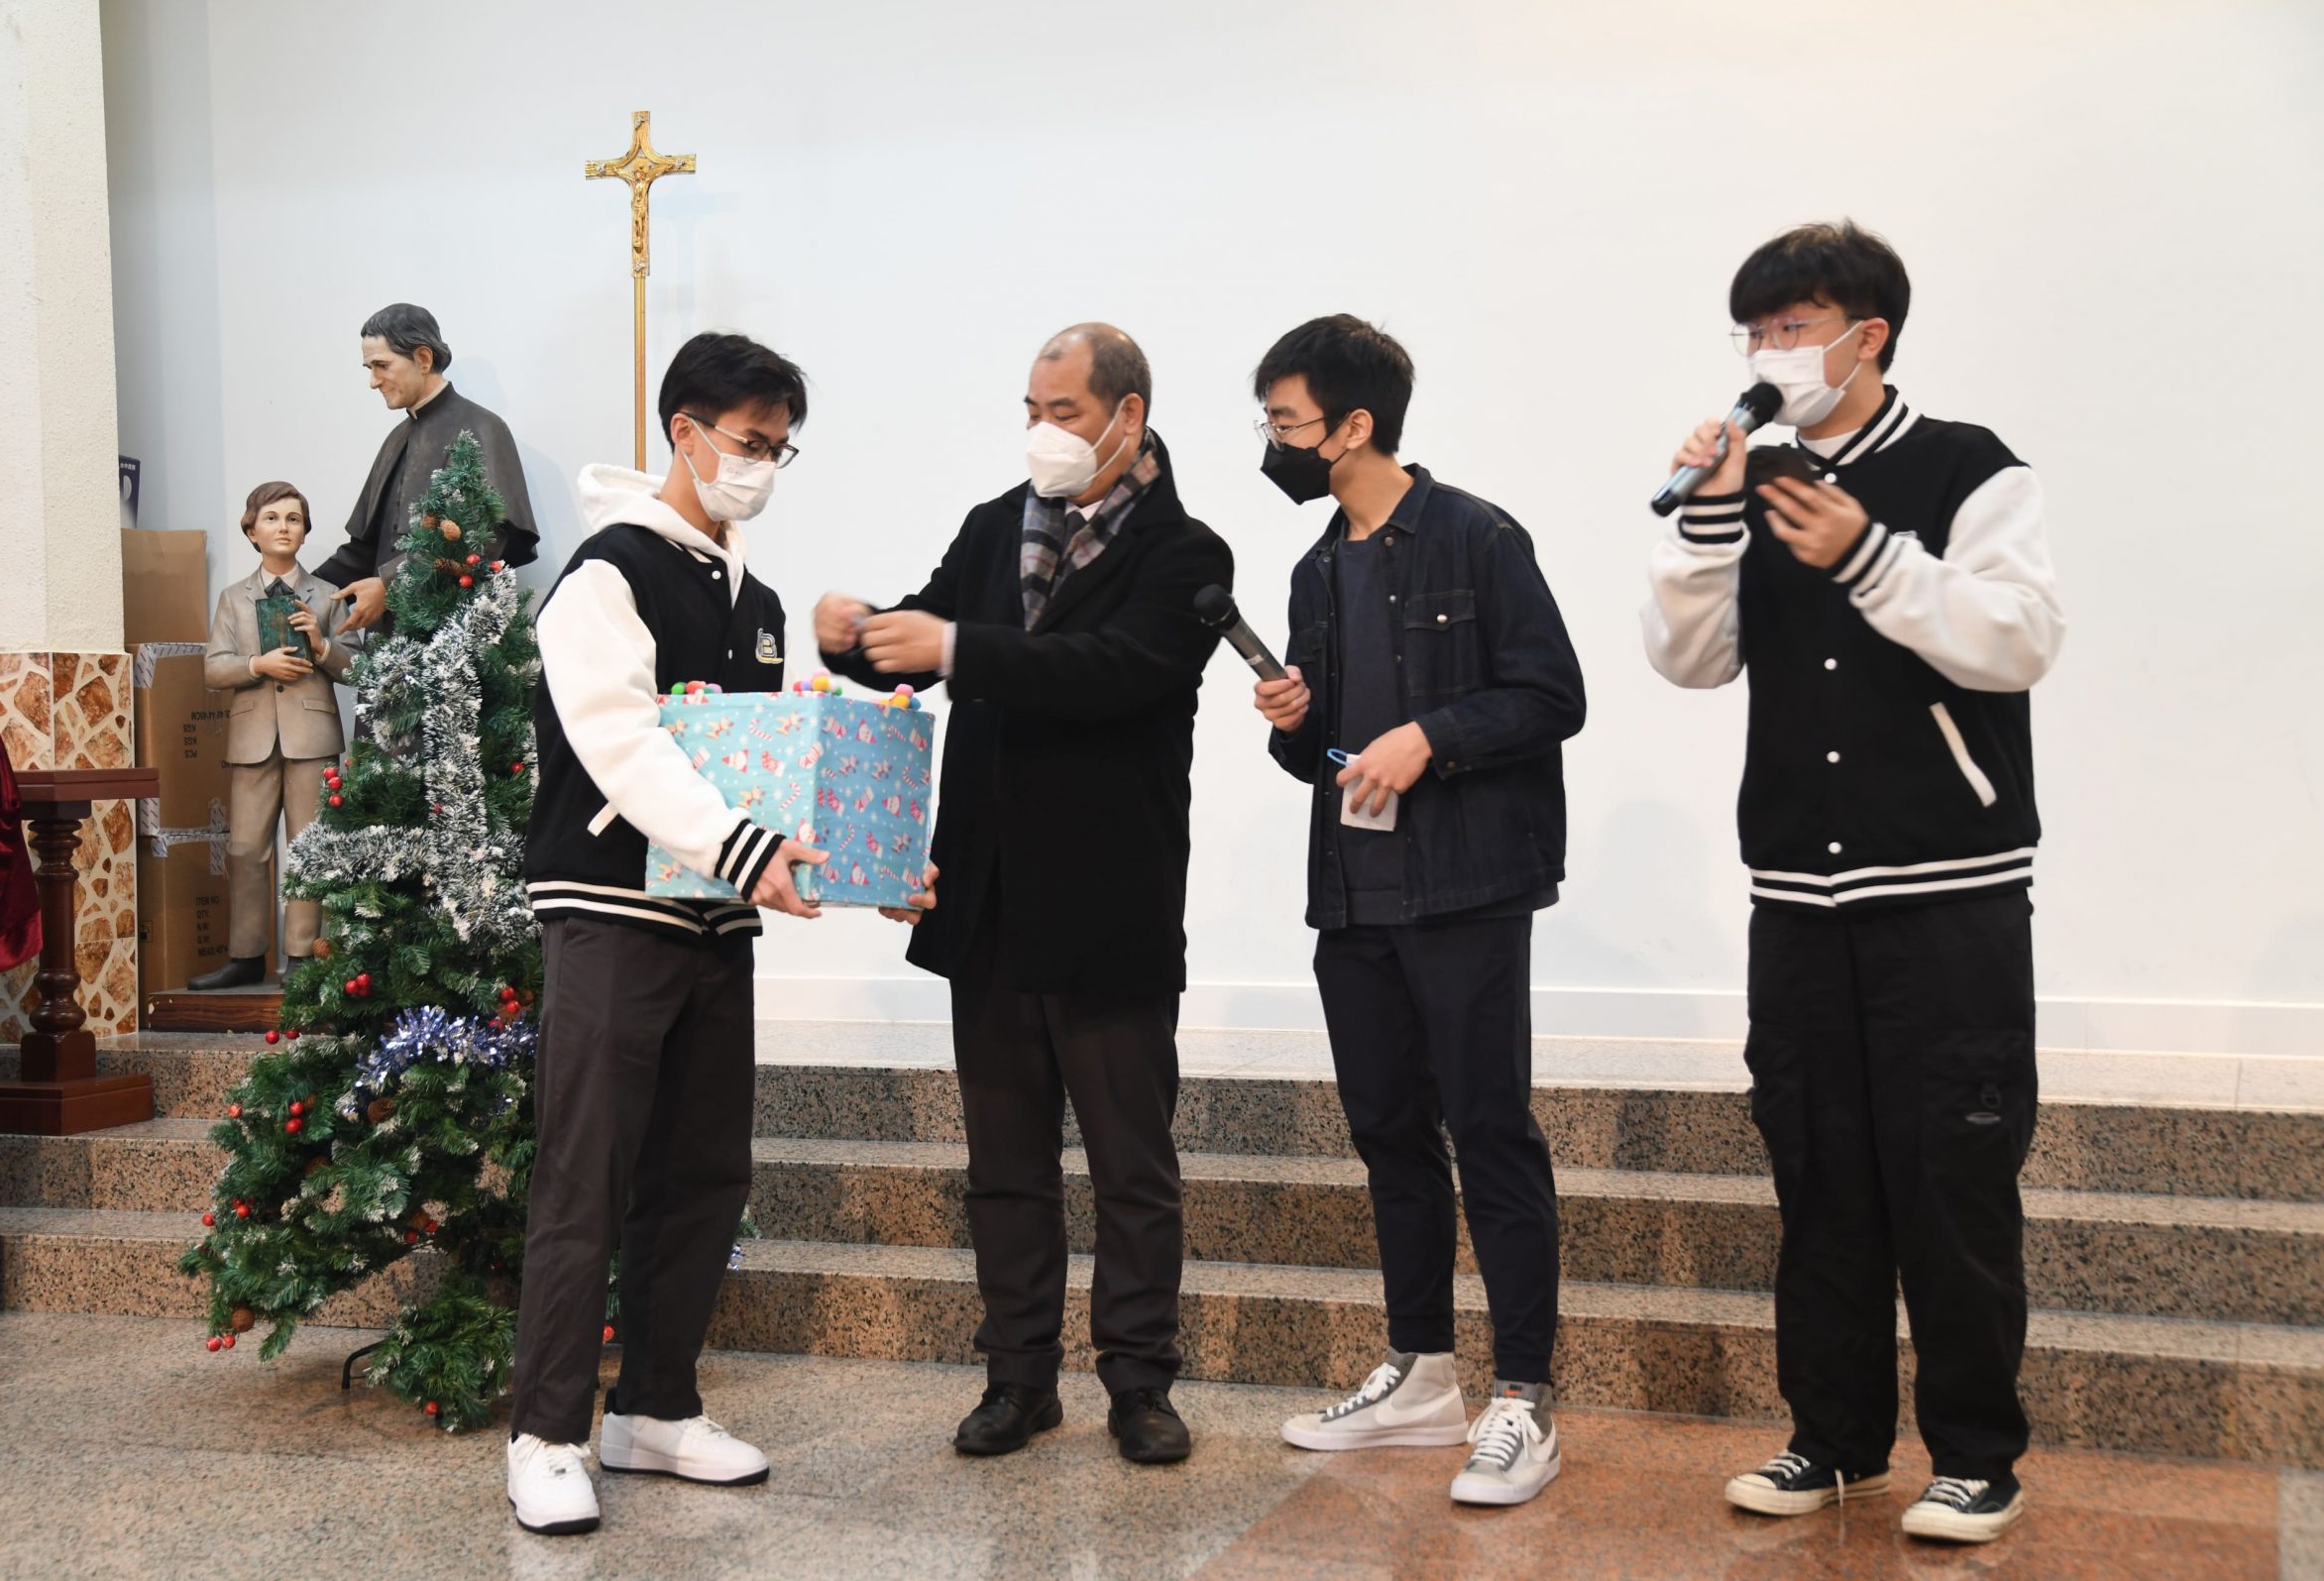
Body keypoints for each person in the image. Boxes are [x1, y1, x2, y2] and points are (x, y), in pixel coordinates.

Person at [1643, 221, 2066, 1546]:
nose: (1769, 352)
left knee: (1952, 1178)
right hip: (1797, 898)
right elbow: (1688, 659)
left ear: (1865, 336)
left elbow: (2019, 639)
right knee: (1819, 1178)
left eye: (1792, 328)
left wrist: (1873, 555)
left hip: (1948, 893)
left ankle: (1977, 1457)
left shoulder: (1967, 466)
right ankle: (1833, 1441)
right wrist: (1706, 520)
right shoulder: (1754, 480)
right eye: (1755, 332)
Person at [503, 333, 930, 1536]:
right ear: (683, 433)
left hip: (711, 918)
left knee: (702, 1173)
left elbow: (766, 763)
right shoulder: (607, 573)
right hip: (608, 913)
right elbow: (621, 743)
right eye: (748, 441)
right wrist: (743, 851)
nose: (762, 466)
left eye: (779, 447)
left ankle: (653, 1409)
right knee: (587, 1173)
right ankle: (545, 1435)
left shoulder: (756, 599)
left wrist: (873, 865)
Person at [816, 323, 1233, 1467]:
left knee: (1131, 1170)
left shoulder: (1188, 553)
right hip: (988, 902)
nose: (1042, 433)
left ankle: (1139, 1384)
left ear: (1127, 416)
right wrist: (854, 637)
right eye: (1032, 411)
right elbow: (921, 639)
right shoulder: (996, 524)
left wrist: (956, 645)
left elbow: (1110, 674)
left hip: (1109, 907)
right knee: (1003, 1169)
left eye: (1064, 413)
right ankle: (1017, 1378)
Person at [1248, 315, 1585, 1508]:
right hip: (1353, 897)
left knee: (1488, 1130)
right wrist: (1293, 726)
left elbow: (1552, 695)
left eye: (1285, 423)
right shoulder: (1312, 572)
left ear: (1354, 425)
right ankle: (1422, 1373)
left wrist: (1429, 737)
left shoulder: (1477, 537)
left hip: (1468, 888)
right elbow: (1321, 760)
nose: (1273, 444)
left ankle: (1523, 1397)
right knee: (1387, 1130)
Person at [191, 482, 359, 990]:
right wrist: (256, 665)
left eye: (293, 519)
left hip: (312, 737)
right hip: (252, 738)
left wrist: (322, 645)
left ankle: (304, 954)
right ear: (251, 531)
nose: (283, 527)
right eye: (271, 518)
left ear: (305, 532)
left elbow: (358, 667)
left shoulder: (327, 595)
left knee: (308, 845)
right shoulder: (233, 598)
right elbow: (213, 669)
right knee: (245, 848)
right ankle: (245, 955)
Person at [314, 303, 540, 631]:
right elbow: (364, 551)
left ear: (423, 358)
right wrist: (302, 591)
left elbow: (488, 537)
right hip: (388, 638)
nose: (373, 382)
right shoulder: (396, 439)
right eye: (369, 368)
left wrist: (389, 583)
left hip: (457, 634)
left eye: (382, 365)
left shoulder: (484, 428)